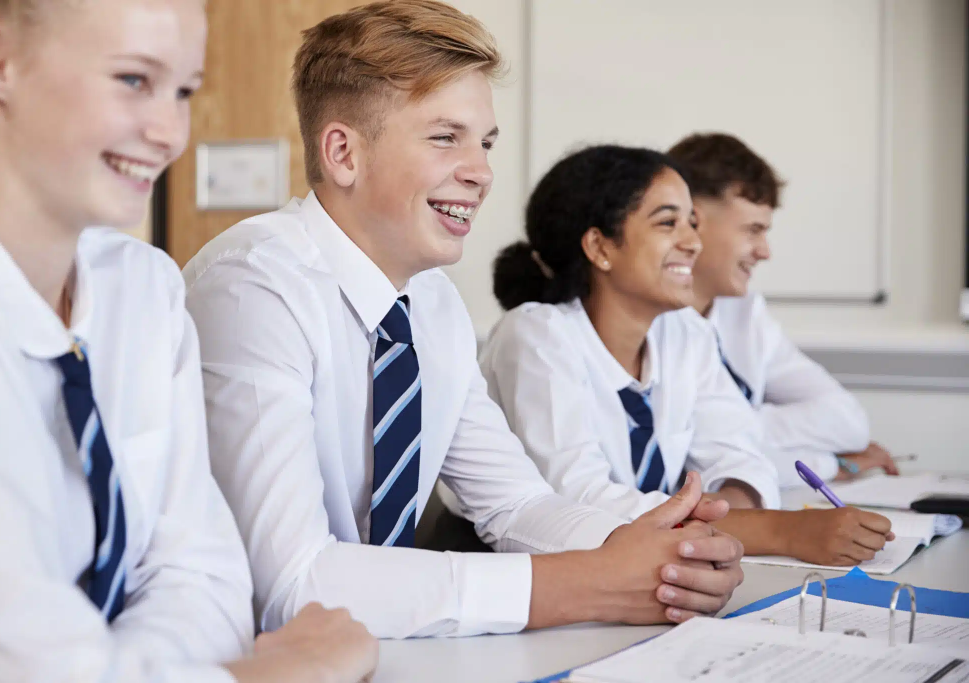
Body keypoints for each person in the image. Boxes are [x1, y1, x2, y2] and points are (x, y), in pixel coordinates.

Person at [183, 0, 746, 640]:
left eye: (485, 143)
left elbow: (514, 503)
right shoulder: (253, 286)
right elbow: (293, 584)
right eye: (446, 137)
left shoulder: (433, 304)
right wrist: (589, 582)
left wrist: (665, 553)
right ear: (343, 153)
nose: (481, 173)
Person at [0, 1, 377, 681]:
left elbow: (205, 577)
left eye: (183, 91)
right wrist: (290, 671)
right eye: (133, 80)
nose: (170, 132)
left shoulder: (143, 290)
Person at [482, 145, 894, 567]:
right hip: (535, 577)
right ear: (600, 247)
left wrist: (720, 518)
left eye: (693, 224)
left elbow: (739, 453)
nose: (693, 243)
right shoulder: (536, 335)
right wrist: (775, 531)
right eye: (668, 223)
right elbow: (578, 500)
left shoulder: (684, 332)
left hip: (659, 565)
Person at [666, 132, 900, 487]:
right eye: (753, 230)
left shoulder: (744, 313)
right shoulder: (648, 321)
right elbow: (690, 468)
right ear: (691, 221)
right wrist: (830, 465)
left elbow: (849, 421)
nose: (764, 251)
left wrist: (734, 427)